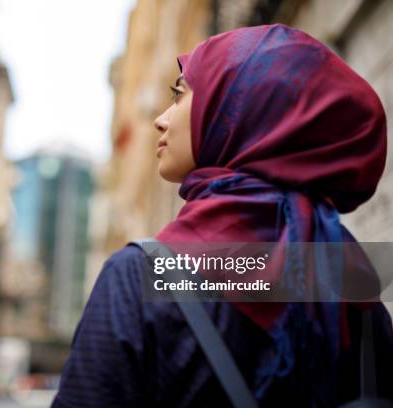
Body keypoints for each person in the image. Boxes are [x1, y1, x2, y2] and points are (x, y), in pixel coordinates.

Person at [51, 23, 393, 407]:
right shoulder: (352, 283)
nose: (160, 119)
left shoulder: (138, 277)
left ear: (236, 110)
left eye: (179, 95)